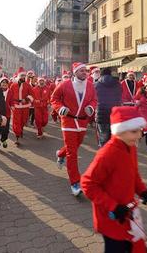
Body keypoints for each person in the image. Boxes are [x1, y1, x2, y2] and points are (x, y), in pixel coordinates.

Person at [81, 106, 147, 253]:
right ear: (119, 131)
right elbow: (88, 184)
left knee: (136, 246)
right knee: (117, 248)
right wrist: (113, 206)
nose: (140, 135)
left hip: (127, 212)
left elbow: (134, 173)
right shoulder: (107, 153)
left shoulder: (130, 146)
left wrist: (142, 190)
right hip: (111, 217)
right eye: (134, 131)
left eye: (140, 130)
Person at [51, 62, 97, 196]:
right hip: (68, 121)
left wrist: (91, 107)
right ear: (75, 72)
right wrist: (60, 108)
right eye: (81, 70)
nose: (85, 72)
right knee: (72, 153)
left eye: (86, 71)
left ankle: (60, 154)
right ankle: (75, 183)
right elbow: (54, 98)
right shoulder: (64, 85)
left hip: (82, 121)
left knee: (75, 146)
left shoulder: (90, 85)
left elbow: (94, 99)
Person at [94, 67, 122, 147]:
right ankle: (112, 155)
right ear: (110, 74)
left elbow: (94, 98)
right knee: (113, 137)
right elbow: (120, 96)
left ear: (101, 75)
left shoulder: (96, 84)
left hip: (101, 113)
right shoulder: (118, 84)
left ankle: (104, 155)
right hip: (115, 112)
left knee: (103, 138)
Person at [7, 67, 34, 146]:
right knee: (16, 121)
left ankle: (20, 129)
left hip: (25, 106)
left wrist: (26, 99)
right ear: (18, 76)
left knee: (24, 120)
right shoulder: (13, 85)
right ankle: (17, 137)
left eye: (24, 76)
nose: (23, 77)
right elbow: (10, 95)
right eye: (21, 76)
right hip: (16, 106)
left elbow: (32, 95)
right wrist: (10, 104)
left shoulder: (27, 85)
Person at [0, 77, 11, 150]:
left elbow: (12, 100)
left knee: (5, 130)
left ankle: (4, 139)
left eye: (6, 83)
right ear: (0, 83)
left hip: (7, 113)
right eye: (3, 82)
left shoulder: (10, 91)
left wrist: (13, 105)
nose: (4, 84)